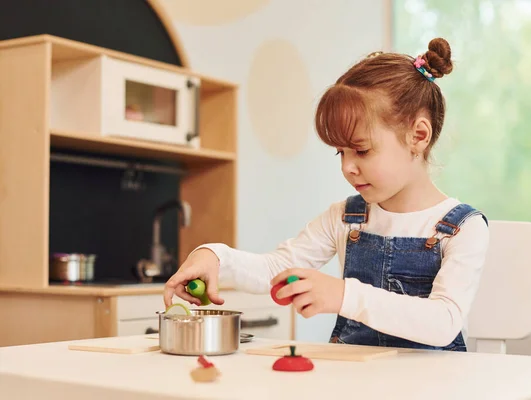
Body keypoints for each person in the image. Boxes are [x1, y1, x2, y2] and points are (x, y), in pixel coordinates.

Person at [163, 37, 490, 352]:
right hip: (355, 381)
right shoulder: (345, 218)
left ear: (418, 136)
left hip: (434, 386)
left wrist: (344, 295)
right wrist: (215, 257)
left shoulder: (463, 227)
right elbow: (276, 268)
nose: (348, 167)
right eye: (340, 153)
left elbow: (443, 321)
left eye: (361, 150)